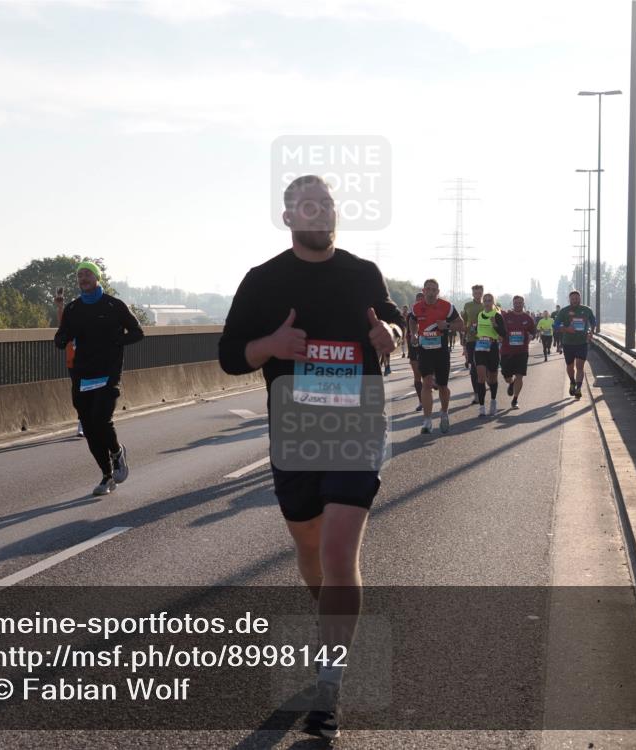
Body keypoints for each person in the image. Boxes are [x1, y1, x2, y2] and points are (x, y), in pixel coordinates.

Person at [218, 175, 403, 740]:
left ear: (334, 214)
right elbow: (229, 357)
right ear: (288, 217)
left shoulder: (361, 272)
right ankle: (333, 627)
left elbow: (393, 321)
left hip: (357, 423)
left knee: (340, 550)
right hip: (295, 431)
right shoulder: (263, 281)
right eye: (307, 206)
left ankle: (330, 682)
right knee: (311, 550)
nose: (318, 214)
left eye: (325, 205)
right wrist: (270, 347)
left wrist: (390, 334)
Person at [54, 261, 143, 495]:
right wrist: (60, 339)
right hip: (83, 375)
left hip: (108, 373)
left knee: (101, 419)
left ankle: (117, 452)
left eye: (87, 274)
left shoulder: (113, 305)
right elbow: (63, 333)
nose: (82, 278)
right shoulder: (74, 309)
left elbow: (137, 332)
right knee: (90, 428)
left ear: (97, 278)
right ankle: (106, 476)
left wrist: (116, 342)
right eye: (79, 276)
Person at [408, 280, 464, 434]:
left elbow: (461, 325)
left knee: (443, 386)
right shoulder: (417, 307)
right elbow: (412, 320)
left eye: (434, 290)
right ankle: (427, 421)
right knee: (426, 383)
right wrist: (413, 333)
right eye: (428, 289)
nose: (431, 292)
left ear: (438, 291)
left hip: (441, 352)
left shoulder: (447, 306)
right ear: (423, 290)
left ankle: (444, 413)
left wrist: (446, 325)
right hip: (424, 350)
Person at [554, 290, 597, 399]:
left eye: (577, 298)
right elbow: (555, 325)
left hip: (582, 343)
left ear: (580, 299)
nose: (575, 300)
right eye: (572, 299)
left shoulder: (587, 310)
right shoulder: (564, 311)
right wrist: (567, 329)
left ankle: (578, 388)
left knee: (580, 366)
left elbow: (593, 322)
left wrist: (591, 332)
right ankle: (572, 382)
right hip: (568, 343)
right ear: (570, 300)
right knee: (570, 366)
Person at [55, 287, 84, 438]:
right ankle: (83, 421)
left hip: (90, 361)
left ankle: (91, 420)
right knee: (78, 393)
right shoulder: (69, 324)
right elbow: (62, 324)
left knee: (90, 392)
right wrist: (60, 306)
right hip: (73, 362)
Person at [499, 296, 538, 409]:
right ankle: (511, 383)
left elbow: (533, 331)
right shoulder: (506, 317)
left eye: (520, 303)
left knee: (519, 376)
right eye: (516, 303)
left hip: (522, 351)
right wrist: (499, 336)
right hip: (507, 351)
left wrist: (531, 335)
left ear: (523, 304)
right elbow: (499, 330)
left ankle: (515, 399)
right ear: (513, 303)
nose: (518, 305)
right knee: (507, 376)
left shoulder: (528, 318)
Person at [473, 293, 508, 417]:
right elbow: (478, 329)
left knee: (493, 377)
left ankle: (493, 401)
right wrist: (475, 330)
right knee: (481, 377)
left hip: (492, 347)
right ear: (483, 302)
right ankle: (482, 407)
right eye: (485, 300)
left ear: (493, 302)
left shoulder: (497, 315)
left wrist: (495, 325)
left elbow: (504, 333)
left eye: (490, 300)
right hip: (480, 347)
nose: (487, 302)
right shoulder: (479, 315)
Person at [462, 284, 485, 403]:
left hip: (485, 340)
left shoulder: (486, 304)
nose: (477, 295)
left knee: (484, 367)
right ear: (472, 294)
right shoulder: (467, 305)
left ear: (482, 293)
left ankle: (484, 384)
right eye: (475, 293)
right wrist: (465, 334)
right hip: (471, 339)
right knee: (473, 368)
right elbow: (464, 321)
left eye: (479, 293)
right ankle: (476, 394)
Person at [407, 292, 425, 411]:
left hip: (428, 346)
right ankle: (421, 401)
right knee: (417, 375)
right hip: (414, 346)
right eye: (417, 300)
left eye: (421, 299)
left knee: (428, 375)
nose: (419, 301)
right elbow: (408, 332)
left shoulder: (430, 313)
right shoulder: (411, 315)